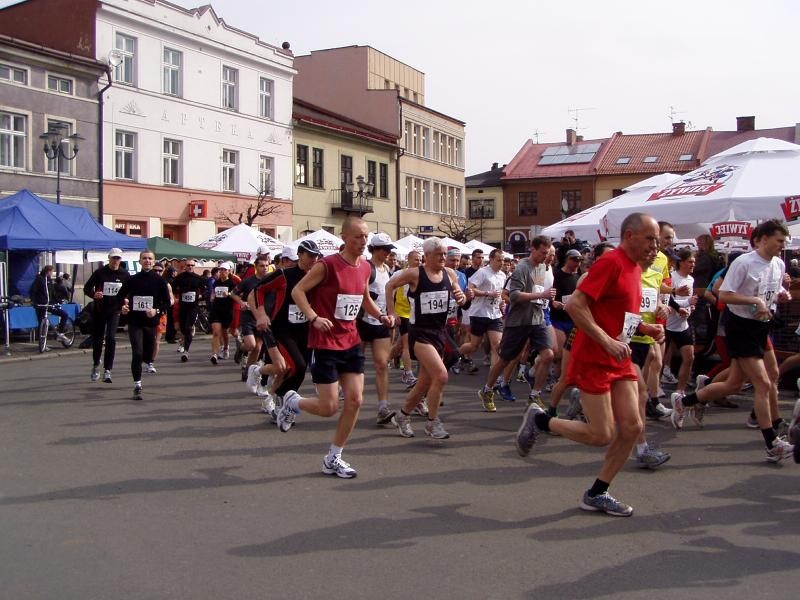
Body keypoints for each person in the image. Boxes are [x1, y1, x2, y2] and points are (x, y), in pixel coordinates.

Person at [516, 212, 663, 517]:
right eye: (650, 238)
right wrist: (606, 340)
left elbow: (622, 315)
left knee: (633, 427)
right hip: (595, 357)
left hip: (618, 356)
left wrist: (645, 329)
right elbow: (575, 304)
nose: (655, 245)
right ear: (629, 236)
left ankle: (597, 493)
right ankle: (541, 421)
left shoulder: (635, 268)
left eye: (658, 240)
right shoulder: (611, 263)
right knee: (601, 434)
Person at [275, 217, 395, 478]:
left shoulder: (365, 267)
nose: (363, 241)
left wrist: (380, 315)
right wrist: (313, 317)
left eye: (366, 237)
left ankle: (333, 458)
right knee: (329, 408)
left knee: (356, 400)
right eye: (358, 237)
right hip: (326, 343)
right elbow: (298, 291)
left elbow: (363, 297)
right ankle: (293, 402)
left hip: (351, 342)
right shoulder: (327, 265)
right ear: (344, 238)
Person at [671, 219, 795, 462]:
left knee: (736, 384)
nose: (783, 245)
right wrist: (754, 301)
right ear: (764, 239)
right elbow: (725, 295)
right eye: (779, 241)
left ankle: (684, 401)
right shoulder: (744, 262)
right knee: (763, 383)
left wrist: (782, 295)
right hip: (741, 327)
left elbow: (773, 290)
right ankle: (772, 443)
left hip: (762, 326)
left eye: (785, 241)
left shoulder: (778, 264)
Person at [387, 236, 467, 439]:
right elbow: (390, 286)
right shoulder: (415, 273)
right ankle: (432, 423)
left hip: (440, 332)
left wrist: (462, 296)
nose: (443, 258)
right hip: (420, 333)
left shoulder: (449, 273)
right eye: (439, 254)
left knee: (424, 382)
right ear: (428, 255)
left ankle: (402, 415)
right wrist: (392, 312)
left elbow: (459, 293)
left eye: (445, 254)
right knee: (441, 375)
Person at [478, 236, 554, 412]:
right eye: (543, 253)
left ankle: (534, 396)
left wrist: (548, 299)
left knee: (548, 355)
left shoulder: (543, 267)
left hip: (537, 318)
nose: (545, 256)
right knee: (505, 359)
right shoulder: (521, 268)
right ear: (533, 249)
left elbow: (538, 291)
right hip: (518, 321)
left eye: (548, 253)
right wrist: (540, 295)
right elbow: (513, 296)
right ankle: (487, 390)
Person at [251, 239, 323, 416]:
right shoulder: (284, 274)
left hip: (305, 330)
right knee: (295, 366)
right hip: (282, 329)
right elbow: (259, 290)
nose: (314, 259)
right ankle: (281, 401)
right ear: (300, 255)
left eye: (316, 256)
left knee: (300, 371)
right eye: (310, 256)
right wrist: (261, 314)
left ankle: (280, 401)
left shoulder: (317, 276)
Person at [358, 233, 400, 427]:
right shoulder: (366, 267)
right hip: (362, 322)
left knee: (382, 364)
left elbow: (389, 296)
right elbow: (362, 296)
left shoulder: (387, 269)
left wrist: (391, 314)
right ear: (374, 249)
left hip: (381, 323)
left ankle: (383, 407)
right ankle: (351, 397)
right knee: (355, 365)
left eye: (389, 249)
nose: (387, 252)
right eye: (384, 249)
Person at [117, 250, 171, 400]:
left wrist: (156, 310)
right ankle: (137, 385)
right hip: (135, 321)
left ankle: (147, 362)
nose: (147, 261)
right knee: (137, 353)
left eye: (150, 258)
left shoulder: (160, 281)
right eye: (144, 258)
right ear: (140, 261)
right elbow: (120, 296)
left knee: (147, 354)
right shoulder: (133, 279)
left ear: (153, 261)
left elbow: (167, 303)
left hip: (150, 323)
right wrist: (123, 307)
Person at [459, 248, 507, 407]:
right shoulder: (482, 272)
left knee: (497, 345)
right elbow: (471, 289)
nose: (501, 263)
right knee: (474, 346)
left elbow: (500, 294)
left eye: (503, 260)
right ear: (491, 260)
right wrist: (487, 293)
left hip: (495, 315)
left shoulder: (503, 275)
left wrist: (502, 303)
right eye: (499, 260)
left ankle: (493, 381)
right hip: (479, 313)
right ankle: (455, 354)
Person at [84, 248, 130, 382]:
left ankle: (108, 369)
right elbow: (87, 288)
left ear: (120, 260)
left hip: (114, 311)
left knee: (111, 338)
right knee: (98, 339)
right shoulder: (100, 272)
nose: (115, 261)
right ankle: (96, 364)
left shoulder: (125, 274)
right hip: (100, 310)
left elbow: (129, 290)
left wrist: (126, 300)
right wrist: (94, 294)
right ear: (109, 258)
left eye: (118, 258)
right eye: (113, 258)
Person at [231, 257, 271, 380]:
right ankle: (241, 348)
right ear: (256, 267)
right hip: (249, 317)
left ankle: (247, 372)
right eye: (262, 266)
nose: (265, 268)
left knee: (257, 348)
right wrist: (241, 303)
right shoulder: (248, 281)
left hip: (262, 317)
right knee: (251, 345)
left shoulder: (270, 281)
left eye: (266, 266)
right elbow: (233, 293)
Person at [172, 259, 205, 361]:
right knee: (183, 328)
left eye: (192, 265)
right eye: (188, 265)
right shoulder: (179, 277)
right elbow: (173, 288)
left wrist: (200, 296)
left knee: (188, 328)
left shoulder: (198, 278)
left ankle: (186, 351)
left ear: (194, 266)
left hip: (193, 307)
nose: (190, 266)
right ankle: (185, 344)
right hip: (182, 307)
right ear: (185, 266)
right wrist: (181, 291)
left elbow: (205, 291)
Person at [30, 265, 70, 341]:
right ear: (48, 271)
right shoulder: (39, 279)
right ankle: (42, 342)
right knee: (41, 323)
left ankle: (61, 334)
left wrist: (58, 300)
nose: (51, 273)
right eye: (51, 272)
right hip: (41, 305)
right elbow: (33, 291)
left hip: (49, 304)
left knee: (64, 314)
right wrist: (33, 301)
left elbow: (52, 293)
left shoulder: (49, 281)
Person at [208, 262, 237, 364]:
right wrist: (212, 296)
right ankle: (214, 355)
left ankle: (225, 347)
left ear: (229, 271)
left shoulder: (232, 283)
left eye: (225, 270)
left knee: (225, 332)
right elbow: (213, 292)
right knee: (216, 332)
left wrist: (228, 294)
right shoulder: (216, 282)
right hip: (216, 310)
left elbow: (237, 295)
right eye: (221, 270)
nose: (222, 272)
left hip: (227, 310)